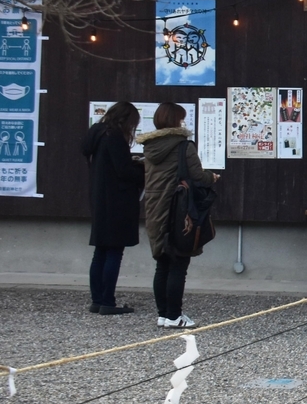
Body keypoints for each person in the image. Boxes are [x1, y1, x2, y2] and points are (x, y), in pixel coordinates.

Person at [137, 102, 219, 328]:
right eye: (182, 118)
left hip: (154, 208)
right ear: (176, 121)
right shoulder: (183, 146)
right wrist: (212, 177)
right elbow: (197, 175)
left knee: (162, 263)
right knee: (179, 263)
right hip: (177, 209)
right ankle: (174, 316)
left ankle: (163, 315)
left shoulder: (149, 146)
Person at [81, 102, 144, 315]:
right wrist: (143, 173)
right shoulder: (115, 136)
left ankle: (97, 300)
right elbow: (123, 172)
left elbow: (109, 164)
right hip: (117, 201)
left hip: (100, 198)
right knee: (115, 252)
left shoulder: (96, 132)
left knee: (100, 251)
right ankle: (108, 301)